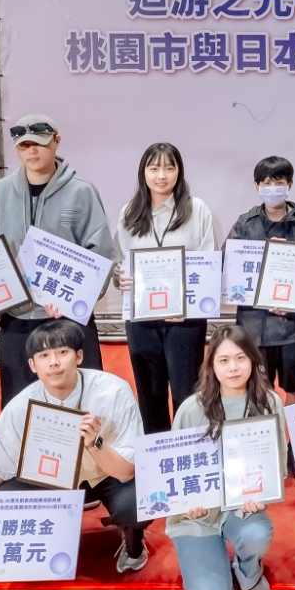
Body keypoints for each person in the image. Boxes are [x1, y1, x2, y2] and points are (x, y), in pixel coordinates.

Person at [0, 320, 148, 573]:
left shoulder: (113, 392)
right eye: (44, 356)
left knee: (138, 502)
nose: (54, 362)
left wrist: (95, 443)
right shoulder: (22, 405)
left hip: (106, 476)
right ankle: (45, 540)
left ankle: (134, 544)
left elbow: (127, 470)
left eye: (62, 352)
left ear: (79, 356)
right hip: (52, 481)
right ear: (33, 365)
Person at [0, 114, 119, 405]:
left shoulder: (82, 191)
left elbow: (100, 253)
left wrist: (73, 298)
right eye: (24, 146)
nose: (32, 151)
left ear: (56, 141)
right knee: (20, 405)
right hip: (17, 319)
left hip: (68, 320)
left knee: (81, 404)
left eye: (39, 143)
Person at [168, 325, 282, 590]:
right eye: (224, 360)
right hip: (198, 513)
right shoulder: (191, 409)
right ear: (211, 366)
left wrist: (262, 494)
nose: (233, 367)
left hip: (240, 506)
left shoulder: (269, 402)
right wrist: (186, 502)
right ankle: (210, 562)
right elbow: (173, 472)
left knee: (256, 534)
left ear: (253, 361)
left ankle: (247, 568)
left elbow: (276, 465)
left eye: (241, 358)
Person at [115, 142, 219, 431]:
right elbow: (121, 260)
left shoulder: (196, 209)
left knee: (187, 393)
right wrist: (119, 278)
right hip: (142, 319)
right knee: (150, 394)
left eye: (169, 168)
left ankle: (191, 447)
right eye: (154, 168)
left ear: (179, 172)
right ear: (143, 172)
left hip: (185, 319)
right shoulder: (129, 212)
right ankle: (156, 449)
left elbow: (208, 263)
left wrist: (188, 304)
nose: (161, 175)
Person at [228, 154, 295, 402]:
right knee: (257, 390)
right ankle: (266, 429)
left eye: (279, 183)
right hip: (253, 325)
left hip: (290, 325)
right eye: (267, 183)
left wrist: (294, 300)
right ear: (257, 186)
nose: (273, 189)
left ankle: (292, 430)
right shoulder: (245, 223)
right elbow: (229, 264)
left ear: (289, 185)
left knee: (294, 389)